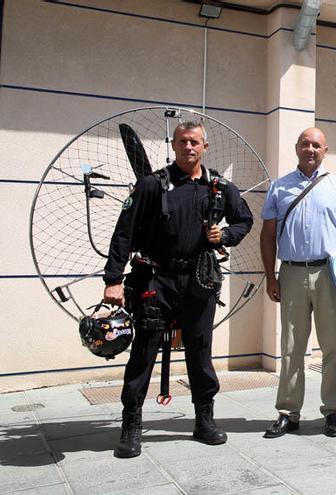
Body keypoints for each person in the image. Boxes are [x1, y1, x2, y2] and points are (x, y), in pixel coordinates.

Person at [103, 121, 254, 458]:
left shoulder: (219, 187)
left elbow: (244, 220)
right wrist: (113, 280)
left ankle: (204, 421)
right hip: (154, 281)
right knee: (143, 353)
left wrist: (225, 236)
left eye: (196, 142)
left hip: (199, 282)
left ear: (205, 147)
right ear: (174, 145)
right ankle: (131, 426)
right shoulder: (151, 185)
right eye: (183, 142)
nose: (189, 147)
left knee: (200, 352)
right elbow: (123, 233)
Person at [260, 127, 336, 439]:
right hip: (290, 273)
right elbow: (267, 234)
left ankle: (332, 411)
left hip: (328, 274)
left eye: (316, 145)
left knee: (333, 345)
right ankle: (288, 412)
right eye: (305, 143)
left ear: (325, 150)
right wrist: (270, 275)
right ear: (296, 148)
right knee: (291, 347)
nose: (310, 149)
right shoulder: (279, 188)